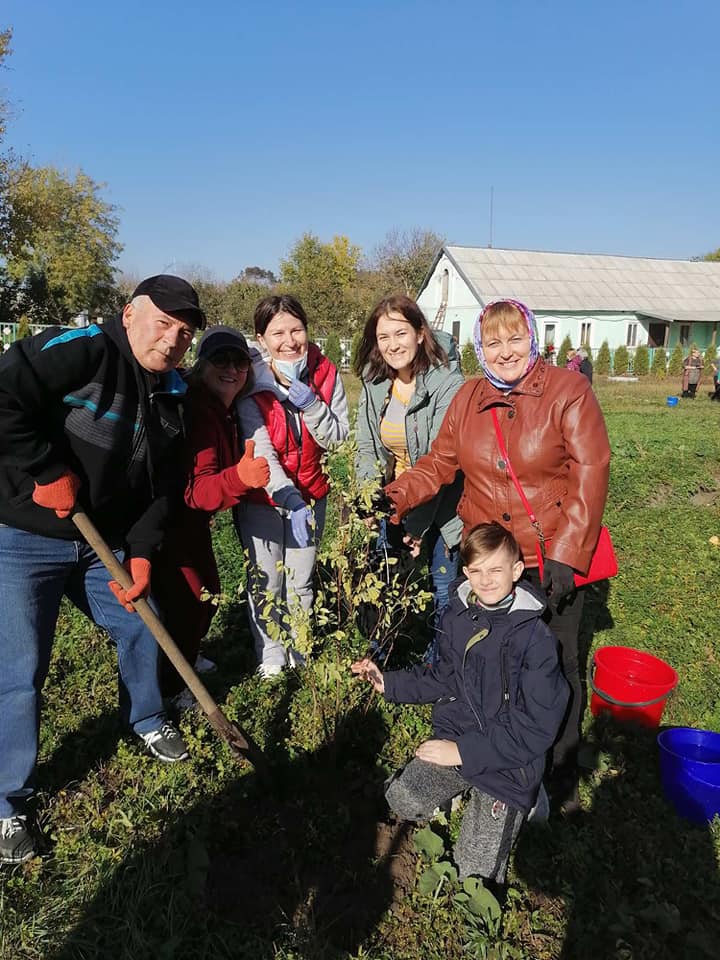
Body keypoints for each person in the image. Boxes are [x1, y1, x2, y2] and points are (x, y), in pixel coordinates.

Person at [0, 275, 207, 864]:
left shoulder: (172, 394)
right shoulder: (85, 348)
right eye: (162, 324)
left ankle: (146, 716)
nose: (171, 340)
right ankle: (5, 802)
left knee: (142, 619)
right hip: (24, 534)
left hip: (100, 541)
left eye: (183, 333)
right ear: (130, 313)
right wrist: (42, 470)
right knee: (20, 668)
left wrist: (140, 552)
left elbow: (161, 488)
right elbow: (4, 397)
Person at [382, 298, 610, 811]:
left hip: (551, 559)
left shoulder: (568, 392)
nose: (505, 351)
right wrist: (395, 495)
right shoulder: (467, 399)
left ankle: (560, 773)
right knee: (490, 664)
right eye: (492, 342)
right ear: (479, 347)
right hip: (491, 561)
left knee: (558, 666)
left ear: (532, 337)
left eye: (515, 339)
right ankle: (496, 761)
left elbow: (591, 470)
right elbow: (438, 462)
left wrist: (567, 555)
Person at [351, 522, 568, 884]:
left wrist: (462, 752)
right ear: (465, 571)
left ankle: (531, 799)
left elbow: (536, 727)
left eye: (496, 569)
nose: (486, 580)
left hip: (509, 766)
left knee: (474, 873)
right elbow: (441, 676)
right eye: (477, 570)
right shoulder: (458, 616)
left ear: (516, 570)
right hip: (458, 741)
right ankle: (458, 787)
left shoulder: (536, 640)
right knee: (401, 798)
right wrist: (388, 682)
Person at [152, 327, 270, 709]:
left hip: (192, 525)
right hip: (169, 525)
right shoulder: (198, 410)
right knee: (187, 603)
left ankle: (186, 655)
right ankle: (170, 685)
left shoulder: (221, 407)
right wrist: (240, 478)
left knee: (207, 597)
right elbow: (197, 492)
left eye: (239, 361)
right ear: (202, 365)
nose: (232, 369)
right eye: (221, 360)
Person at [236, 295, 350, 678]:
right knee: (266, 581)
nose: (289, 340)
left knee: (300, 581)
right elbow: (261, 451)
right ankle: (271, 652)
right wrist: (288, 496)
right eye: (278, 332)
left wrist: (312, 404)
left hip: (312, 495)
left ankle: (299, 644)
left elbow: (338, 438)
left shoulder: (326, 374)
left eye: (296, 329)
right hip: (262, 498)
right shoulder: (249, 382)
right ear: (261, 338)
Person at [354, 295, 464, 663]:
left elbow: (440, 462)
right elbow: (368, 448)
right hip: (394, 498)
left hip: (444, 503)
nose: (392, 345)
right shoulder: (374, 384)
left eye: (401, 333)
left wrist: (414, 525)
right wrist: (368, 502)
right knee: (383, 580)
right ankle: (380, 655)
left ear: (420, 333)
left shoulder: (447, 381)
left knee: (443, 586)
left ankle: (441, 665)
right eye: (383, 337)